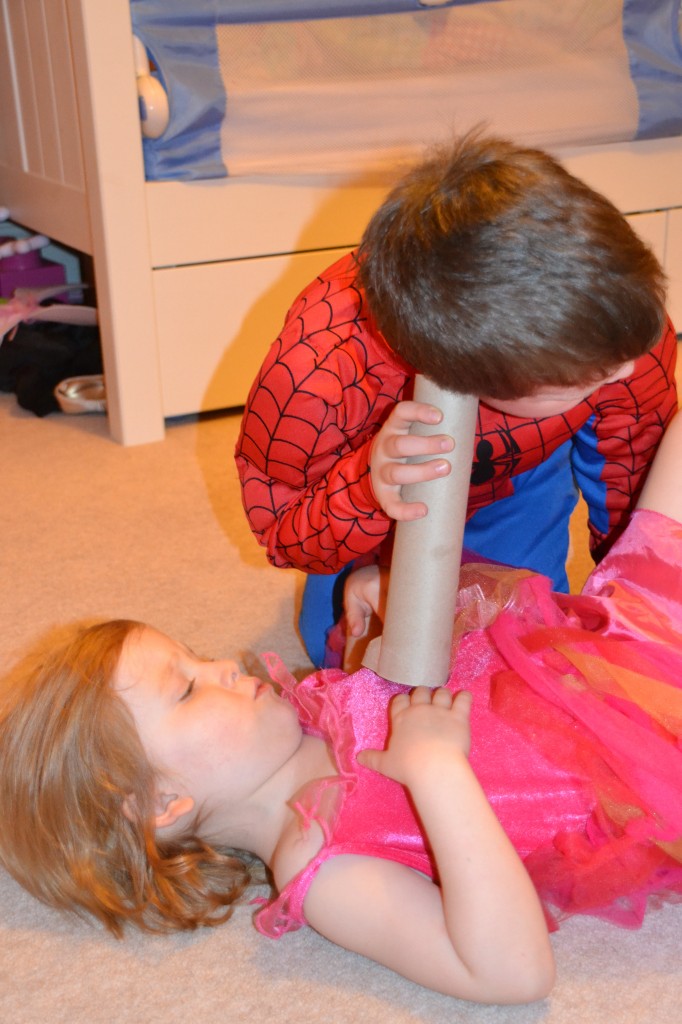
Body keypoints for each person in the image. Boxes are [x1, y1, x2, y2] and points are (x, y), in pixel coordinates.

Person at [2, 413, 682, 1004]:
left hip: (611, 645)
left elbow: (421, 669)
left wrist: (387, 602)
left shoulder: (305, 711)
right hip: (644, 767)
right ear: (160, 802)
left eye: (193, 654)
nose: (220, 666)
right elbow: (511, 973)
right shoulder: (323, 870)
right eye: (186, 689)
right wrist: (440, 771)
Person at [235, 130, 678, 666]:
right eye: (583, 381)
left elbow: (631, 476)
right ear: (471, 382)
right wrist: (365, 487)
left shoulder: (617, 332)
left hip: (519, 478)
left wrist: (639, 608)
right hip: (370, 496)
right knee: (364, 664)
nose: (630, 369)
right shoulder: (316, 373)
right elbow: (284, 534)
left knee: (518, 651)